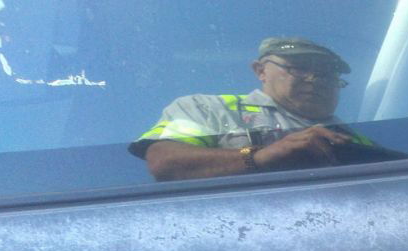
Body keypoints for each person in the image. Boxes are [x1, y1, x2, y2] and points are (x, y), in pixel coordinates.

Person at [129, 37, 374, 181]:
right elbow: (165, 161)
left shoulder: (357, 140)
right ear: (260, 71)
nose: (314, 79)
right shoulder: (206, 108)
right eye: (299, 68)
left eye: (326, 74)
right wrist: (261, 156)